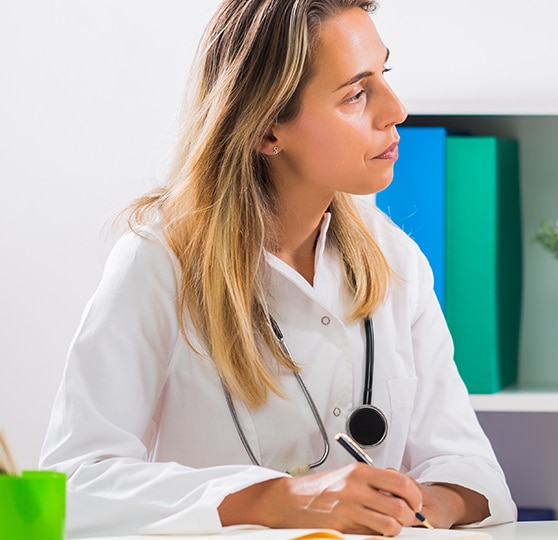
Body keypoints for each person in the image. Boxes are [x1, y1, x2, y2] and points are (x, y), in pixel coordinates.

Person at [39, 0, 516, 536]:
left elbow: (474, 474)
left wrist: (426, 503)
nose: (397, 110)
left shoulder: (396, 261)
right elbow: (72, 486)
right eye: (357, 94)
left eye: (385, 75)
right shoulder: (159, 263)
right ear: (268, 130)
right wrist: (276, 500)